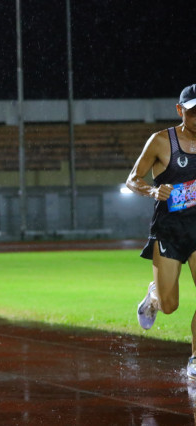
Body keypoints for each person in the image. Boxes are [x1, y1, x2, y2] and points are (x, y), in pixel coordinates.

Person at [127, 83, 196, 378]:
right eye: (193, 112)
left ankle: (195, 358)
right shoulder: (161, 141)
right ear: (180, 110)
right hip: (169, 231)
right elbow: (132, 179)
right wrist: (153, 191)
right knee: (170, 306)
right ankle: (155, 297)